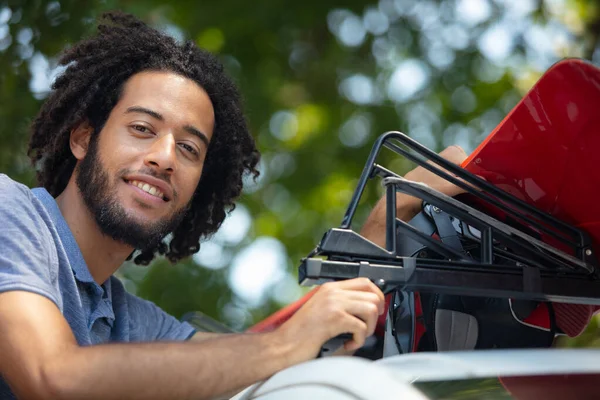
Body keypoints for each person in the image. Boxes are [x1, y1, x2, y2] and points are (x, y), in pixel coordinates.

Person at [0, 11, 468, 400]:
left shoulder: (132, 322)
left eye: (189, 149)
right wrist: (287, 344)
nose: (165, 158)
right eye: (143, 128)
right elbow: (51, 375)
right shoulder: (10, 211)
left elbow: (261, 364)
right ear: (83, 138)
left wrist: (382, 225)